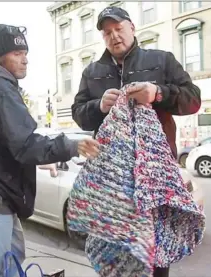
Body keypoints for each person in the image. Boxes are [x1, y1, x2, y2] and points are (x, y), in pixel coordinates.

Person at [0, 24, 99, 277]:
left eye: (25, 52)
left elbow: (8, 141)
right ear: (0, 56)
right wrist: (72, 146)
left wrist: (42, 159)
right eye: (17, 53)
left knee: (12, 258)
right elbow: (25, 144)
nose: (25, 59)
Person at [71, 6, 201, 277]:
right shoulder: (92, 72)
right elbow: (80, 115)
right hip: (112, 186)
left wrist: (158, 93)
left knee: (155, 256)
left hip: (156, 180)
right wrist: (99, 106)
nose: (114, 36)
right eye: (107, 33)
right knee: (116, 255)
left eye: (118, 29)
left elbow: (193, 99)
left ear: (132, 27)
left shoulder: (161, 60)